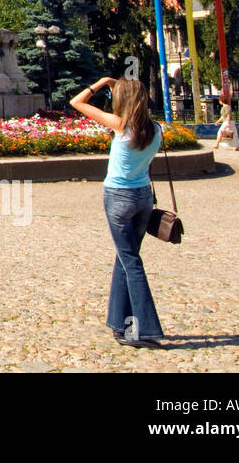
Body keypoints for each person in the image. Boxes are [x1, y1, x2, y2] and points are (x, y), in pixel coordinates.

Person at [70, 76, 166, 348]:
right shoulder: (156, 129)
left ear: (122, 100)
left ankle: (144, 328)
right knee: (125, 258)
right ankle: (118, 323)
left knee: (131, 262)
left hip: (119, 198)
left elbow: (76, 102)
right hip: (143, 198)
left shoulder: (120, 126)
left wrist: (100, 83)